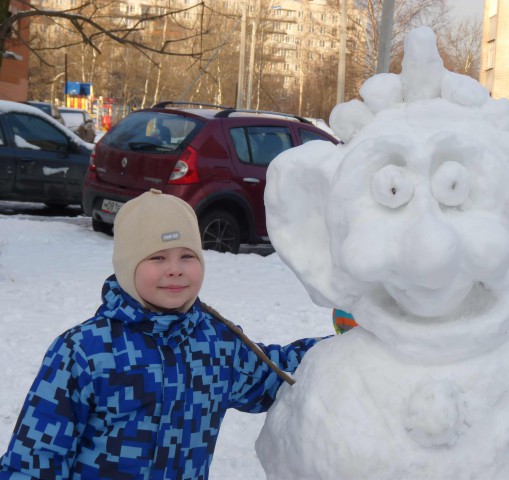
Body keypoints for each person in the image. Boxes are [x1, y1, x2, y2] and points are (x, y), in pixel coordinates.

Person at [0, 189, 321, 479]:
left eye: (187, 256)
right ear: (128, 266)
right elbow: (34, 461)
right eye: (157, 258)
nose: (175, 269)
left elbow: (276, 375)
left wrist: (348, 345)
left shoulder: (218, 345)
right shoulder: (85, 352)